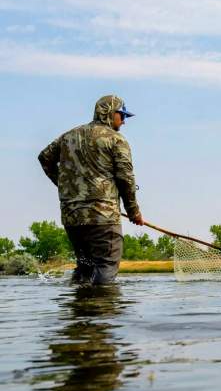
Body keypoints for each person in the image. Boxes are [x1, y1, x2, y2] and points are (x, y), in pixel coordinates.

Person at [38, 94, 144, 284]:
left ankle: (80, 301)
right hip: (103, 220)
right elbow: (125, 179)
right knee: (105, 267)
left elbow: (44, 157)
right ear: (109, 113)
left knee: (85, 268)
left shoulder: (68, 136)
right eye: (122, 115)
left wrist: (65, 186)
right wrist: (133, 212)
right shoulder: (116, 140)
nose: (124, 121)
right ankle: (102, 302)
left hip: (72, 218)